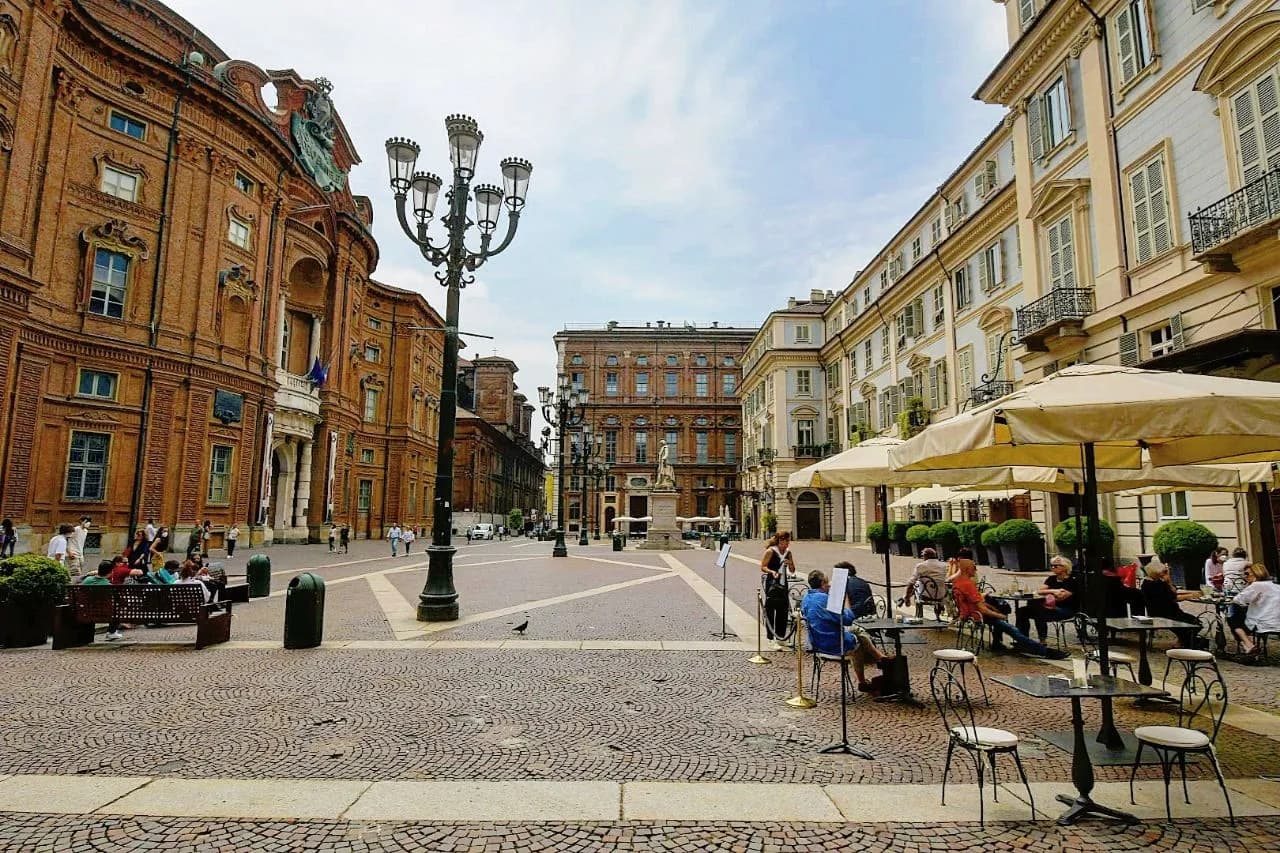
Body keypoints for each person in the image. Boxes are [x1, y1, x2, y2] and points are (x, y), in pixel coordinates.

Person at [951, 558, 1067, 658]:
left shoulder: (958, 582)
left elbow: (975, 603)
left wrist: (994, 609)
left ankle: (999, 643)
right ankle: (1044, 651)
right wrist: (1000, 616)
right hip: (978, 616)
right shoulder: (968, 585)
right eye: (974, 567)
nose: (976, 570)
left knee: (1002, 610)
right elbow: (983, 610)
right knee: (1012, 629)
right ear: (967, 569)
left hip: (968, 614)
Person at [801, 569, 895, 691]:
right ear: (823, 584)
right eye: (827, 582)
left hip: (816, 643)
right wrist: (845, 600)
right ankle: (866, 676)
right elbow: (847, 619)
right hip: (834, 644)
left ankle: (880, 659)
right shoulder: (826, 600)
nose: (829, 585)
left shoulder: (806, 598)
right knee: (857, 640)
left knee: (857, 632)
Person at [1140, 560, 1203, 648]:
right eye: (1164, 572)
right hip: (1163, 614)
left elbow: (1173, 592)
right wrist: (1190, 596)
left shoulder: (1156, 582)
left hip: (1169, 611)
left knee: (1195, 622)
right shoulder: (1152, 585)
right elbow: (1173, 598)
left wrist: (1169, 582)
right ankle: (1184, 643)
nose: (1165, 573)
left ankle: (1184, 641)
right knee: (1193, 623)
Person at [1017, 556, 1079, 643]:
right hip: (1048, 607)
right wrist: (1054, 591)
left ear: (1065, 567)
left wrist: (1047, 594)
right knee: (1021, 611)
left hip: (1065, 609)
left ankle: (1042, 641)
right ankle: (1022, 639)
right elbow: (1039, 591)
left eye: (1056, 566)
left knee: (1039, 610)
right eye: (1052, 565)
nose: (1053, 568)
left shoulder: (1072, 581)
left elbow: (1061, 598)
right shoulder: (1051, 579)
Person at [1229, 564, 1280, 657]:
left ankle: (1248, 645)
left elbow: (1238, 599)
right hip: (1276, 621)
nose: (1245, 576)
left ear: (1256, 573)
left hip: (1262, 622)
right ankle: (1248, 646)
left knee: (1232, 618)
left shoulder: (1257, 585)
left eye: (1247, 574)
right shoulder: (1276, 586)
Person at [759, 531, 796, 650]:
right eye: (785, 541)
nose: (787, 544)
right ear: (780, 541)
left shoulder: (788, 553)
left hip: (783, 583)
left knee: (783, 610)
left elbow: (793, 570)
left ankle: (780, 637)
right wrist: (772, 571)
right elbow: (763, 566)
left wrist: (790, 563)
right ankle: (770, 638)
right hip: (772, 583)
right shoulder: (771, 551)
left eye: (788, 541)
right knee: (771, 609)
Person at [81, 560, 123, 641]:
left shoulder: (87, 580)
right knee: (117, 608)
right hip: (105, 613)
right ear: (111, 572)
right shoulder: (108, 586)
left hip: (85, 611)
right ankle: (111, 632)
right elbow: (118, 600)